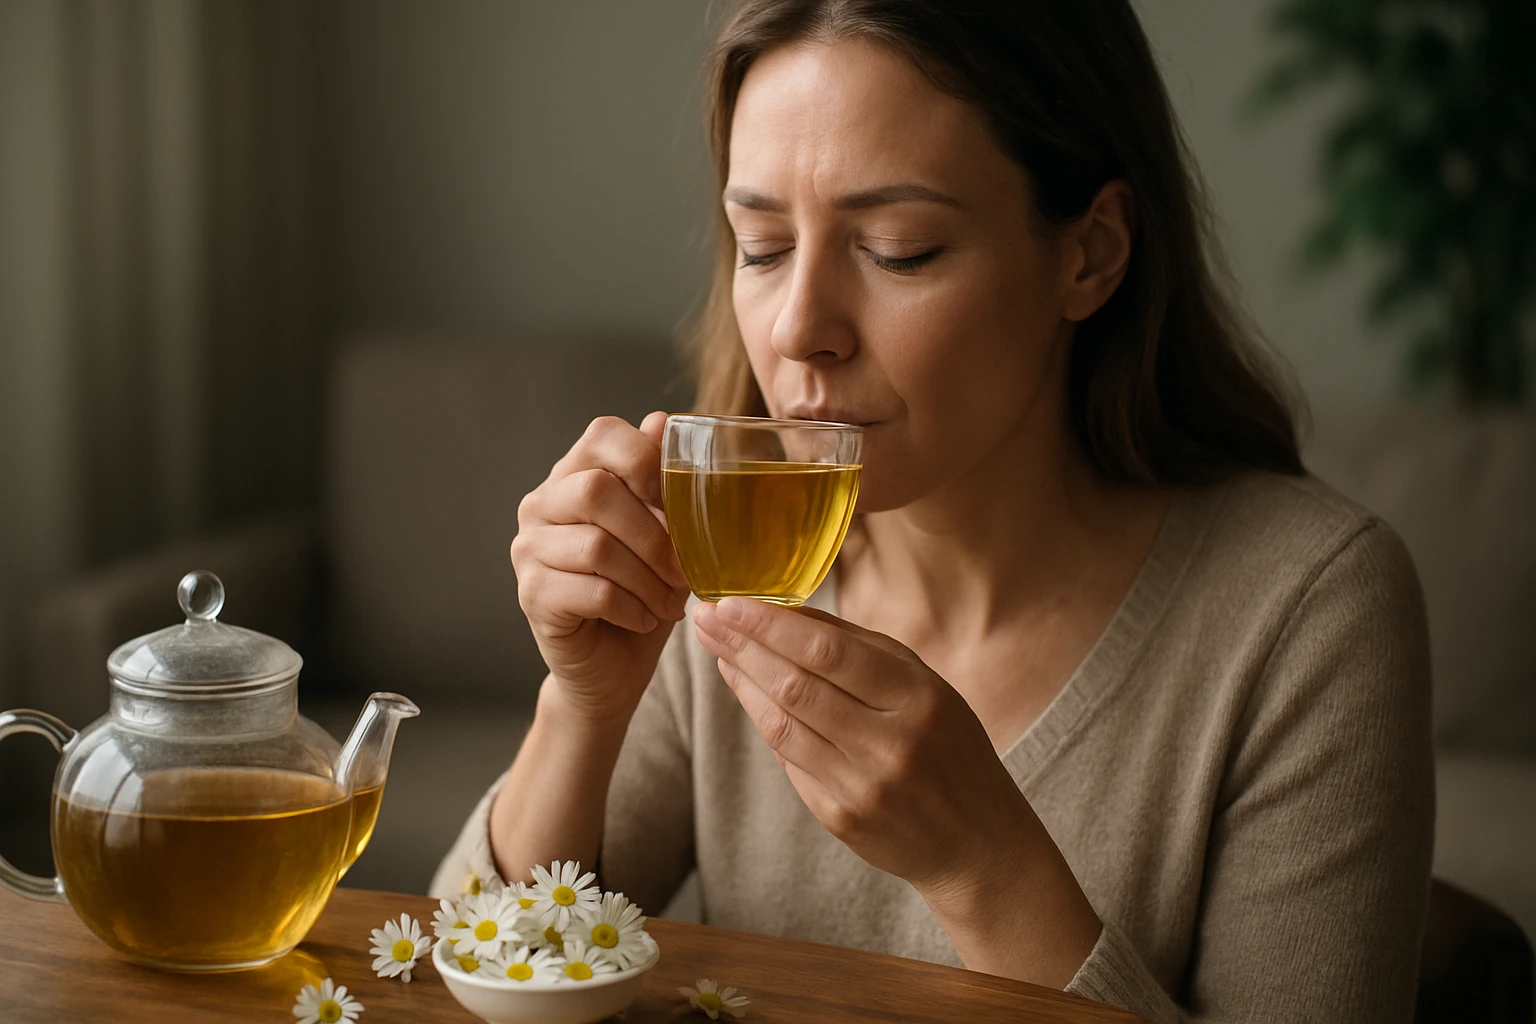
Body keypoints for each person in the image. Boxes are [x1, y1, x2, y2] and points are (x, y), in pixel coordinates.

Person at [435, 2, 1434, 1020]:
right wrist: (584, 704)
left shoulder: (1310, 608)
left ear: (1089, 254)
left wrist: (984, 870)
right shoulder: (728, 551)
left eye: (899, 249)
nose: (799, 329)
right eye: (764, 245)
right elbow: (444, 986)